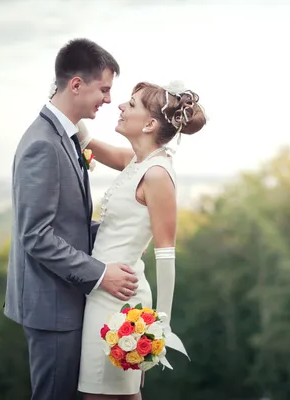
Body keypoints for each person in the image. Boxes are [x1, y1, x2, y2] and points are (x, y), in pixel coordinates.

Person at [4, 38, 140, 400]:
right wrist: (100, 274)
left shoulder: (67, 137)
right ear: (77, 84)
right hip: (51, 307)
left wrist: (122, 236)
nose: (109, 100)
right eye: (104, 89)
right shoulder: (42, 144)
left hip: (65, 299)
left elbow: (70, 223)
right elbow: (36, 236)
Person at [76, 81, 206, 399]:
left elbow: (165, 253)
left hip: (122, 307)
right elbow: (87, 139)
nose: (120, 106)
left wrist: (158, 326)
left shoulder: (158, 174)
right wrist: (68, 90)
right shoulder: (137, 162)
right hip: (102, 292)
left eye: (131, 104)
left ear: (149, 123)